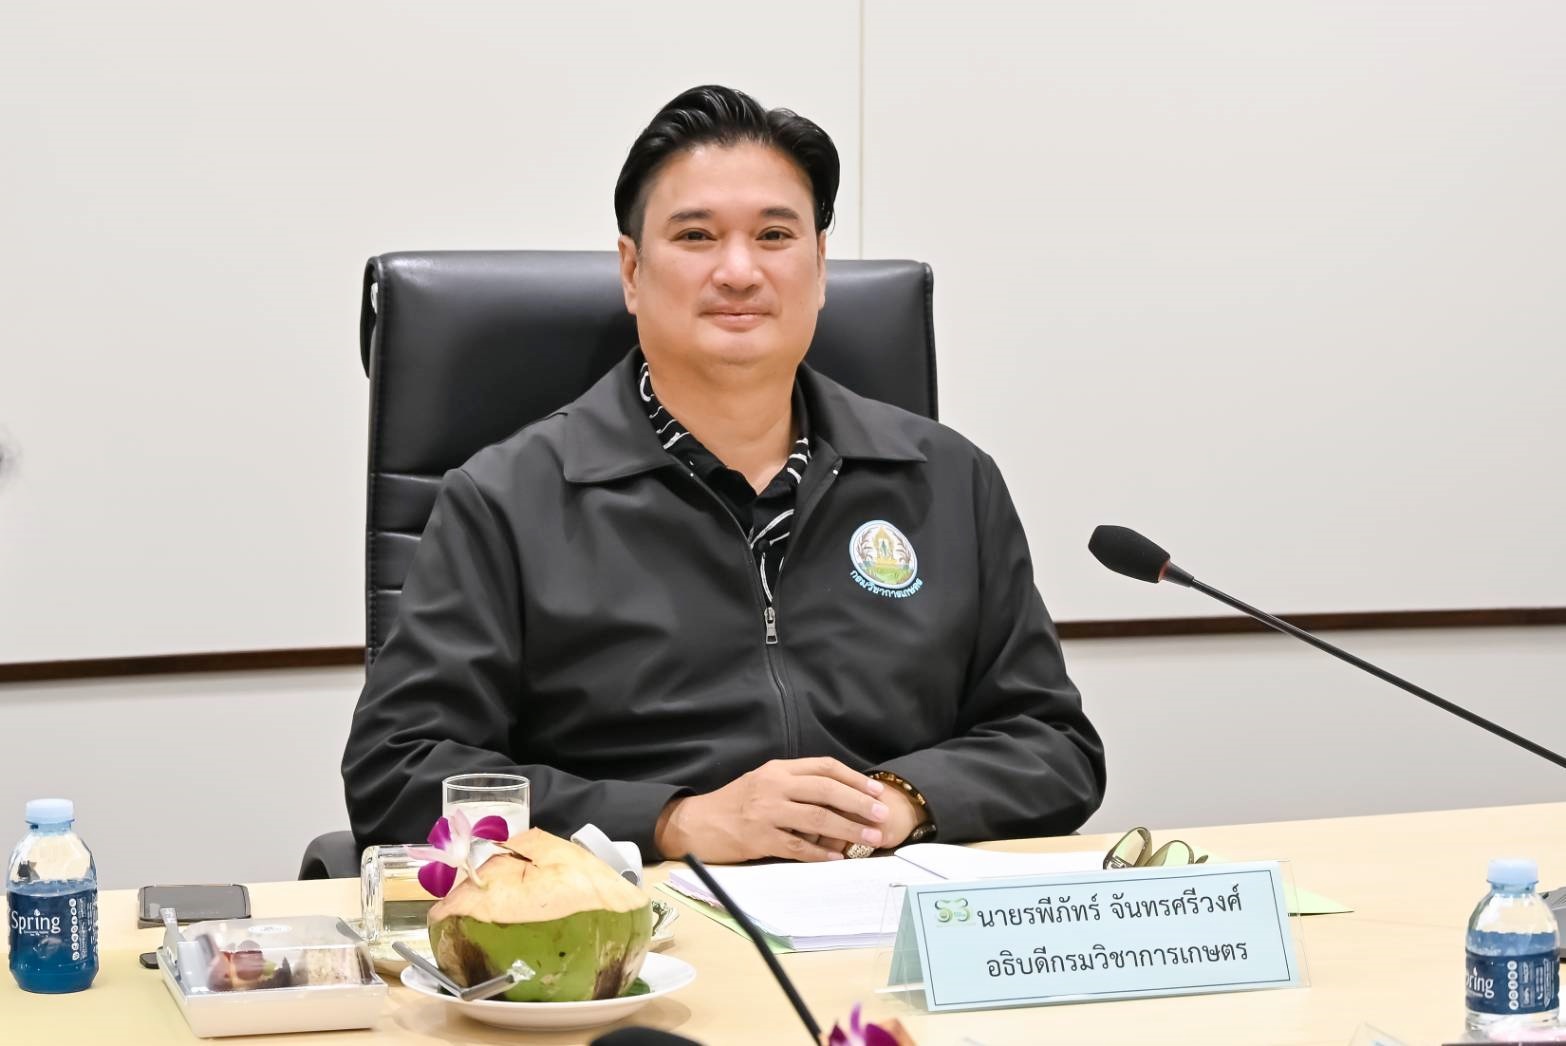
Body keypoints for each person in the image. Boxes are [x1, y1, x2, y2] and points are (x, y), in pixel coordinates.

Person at [342, 85, 1105, 864]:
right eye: (697, 236)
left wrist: (899, 801)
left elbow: (1053, 744)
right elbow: (398, 774)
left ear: (820, 266)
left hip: (895, 904)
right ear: (632, 271)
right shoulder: (507, 500)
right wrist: (671, 822)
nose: (739, 271)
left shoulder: (947, 480)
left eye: (774, 235)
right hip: (641, 915)